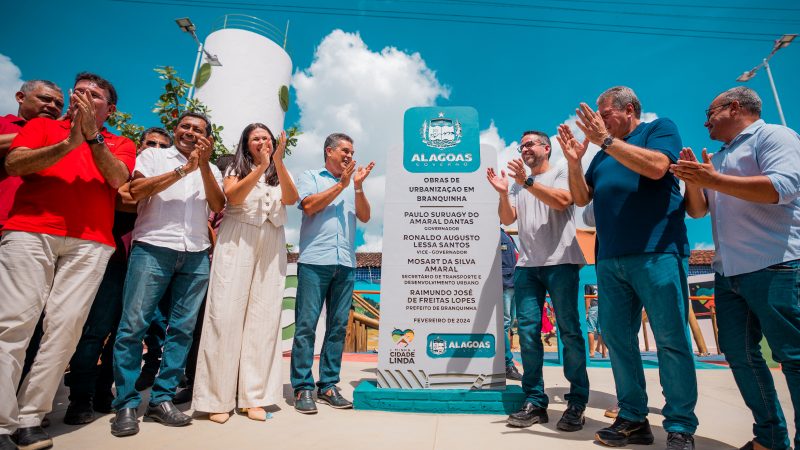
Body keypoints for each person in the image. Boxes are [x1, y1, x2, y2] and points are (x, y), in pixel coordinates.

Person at [0, 72, 134, 450]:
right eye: (79, 92)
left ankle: (29, 418)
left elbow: (117, 179)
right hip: (30, 231)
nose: (83, 98)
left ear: (110, 108)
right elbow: (16, 165)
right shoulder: (42, 126)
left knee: (65, 330)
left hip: (90, 243)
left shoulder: (120, 142)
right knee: (14, 324)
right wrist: (68, 141)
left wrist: (90, 140)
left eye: (94, 95)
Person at [560, 86, 697, 450]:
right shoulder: (600, 156)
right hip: (609, 259)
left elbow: (657, 168)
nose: (598, 121)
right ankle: (633, 419)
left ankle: (681, 425)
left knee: (671, 340)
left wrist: (604, 140)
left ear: (630, 109)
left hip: (658, 252)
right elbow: (580, 198)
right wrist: (575, 162)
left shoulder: (658, 130)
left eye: (605, 113)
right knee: (618, 341)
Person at [671, 86, 800, 450]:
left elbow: (783, 186)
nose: (705, 121)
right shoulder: (721, 156)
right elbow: (698, 211)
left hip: (776, 265)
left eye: (710, 113)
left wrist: (710, 179)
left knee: (793, 356)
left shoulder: (774, 135)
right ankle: (770, 438)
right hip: (728, 274)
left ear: (733, 107)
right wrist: (695, 183)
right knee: (740, 355)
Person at [110, 112, 224, 437]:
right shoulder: (154, 155)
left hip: (196, 253)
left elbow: (217, 204)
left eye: (198, 129)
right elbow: (136, 190)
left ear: (207, 138)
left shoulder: (212, 168)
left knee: (183, 331)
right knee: (133, 326)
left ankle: (162, 399)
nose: (190, 132)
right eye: (185, 127)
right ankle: (127, 405)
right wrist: (182, 170)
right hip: (153, 247)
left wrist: (201, 167)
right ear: (176, 130)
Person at [63, 127, 172, 425]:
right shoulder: (125, 170)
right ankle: (80, 395)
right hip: (115, 258)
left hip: (148, 260)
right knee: (96, 329)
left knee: (129, 332)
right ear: (140, 145)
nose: (156, 149)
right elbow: (123, 200)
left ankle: (103, 391)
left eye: (163, 146)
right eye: (151, 143)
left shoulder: (165, 176)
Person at [193, 123, 299, 423]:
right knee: (225, 316)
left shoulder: (278, 171)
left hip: (272, 240)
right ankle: (217, 398)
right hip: (238, 238)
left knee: (263, 320)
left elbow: (290, 199)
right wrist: (259, 167)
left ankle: (256, 396)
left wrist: (275, 162)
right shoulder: (235, 167)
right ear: (246, 143)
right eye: (256, 138)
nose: (262, 142)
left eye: (266, 138)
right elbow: (234, 198)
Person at [487, 130, 589, 432]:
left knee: (569, 333)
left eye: (530, 144)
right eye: (521, 146)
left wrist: (526, 182)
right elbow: (507, 219)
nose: (524, 148)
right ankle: (535, 400)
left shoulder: (560, 170)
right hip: (528, 266)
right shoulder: (520, 183)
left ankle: (576, 402)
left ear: (547, 147)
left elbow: (563, 201)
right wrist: (505, 192)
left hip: (562, 263)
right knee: (528, 334)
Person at [290, 133, 374, 414]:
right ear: (329, 151)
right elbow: (310, 206)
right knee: (306, 326)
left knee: (338, 328)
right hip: (315, 261)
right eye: (345, 150)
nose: (350, 155)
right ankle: (302, 387)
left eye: (352, 151)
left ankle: (327, 385)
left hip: (346, 263)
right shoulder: (311, 176)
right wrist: (342, 184)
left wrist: (358, 188)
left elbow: (365, 217)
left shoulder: (352, 184)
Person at [500, 228, 522, 381]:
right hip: (504, 285)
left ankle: (506, 361)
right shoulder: (493, 233)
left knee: (508, 324)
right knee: (503, 324)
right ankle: (506, 363)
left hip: (513, 283)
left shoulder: (505, 234)